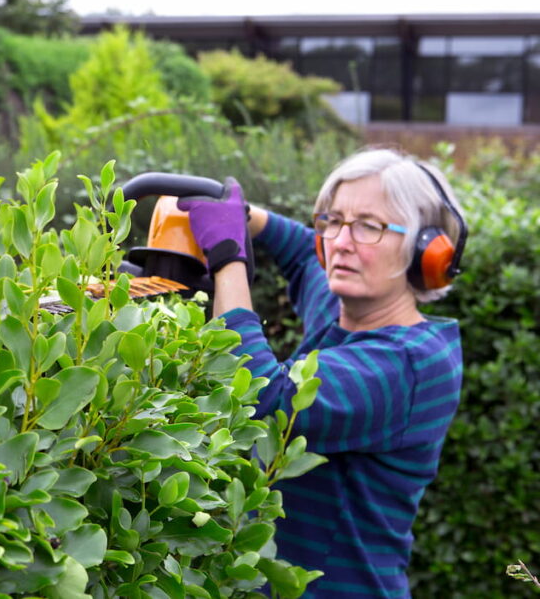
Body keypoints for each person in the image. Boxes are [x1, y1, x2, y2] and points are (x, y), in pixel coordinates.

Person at [179, 148, 465, 597]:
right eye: (332, 222)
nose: (341, 242)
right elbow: (298, 252)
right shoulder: (345, 310)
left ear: (427, 252)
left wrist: (228, 256)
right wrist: (247, 217)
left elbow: (267, 400)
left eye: (369, 226)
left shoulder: (409, 364)